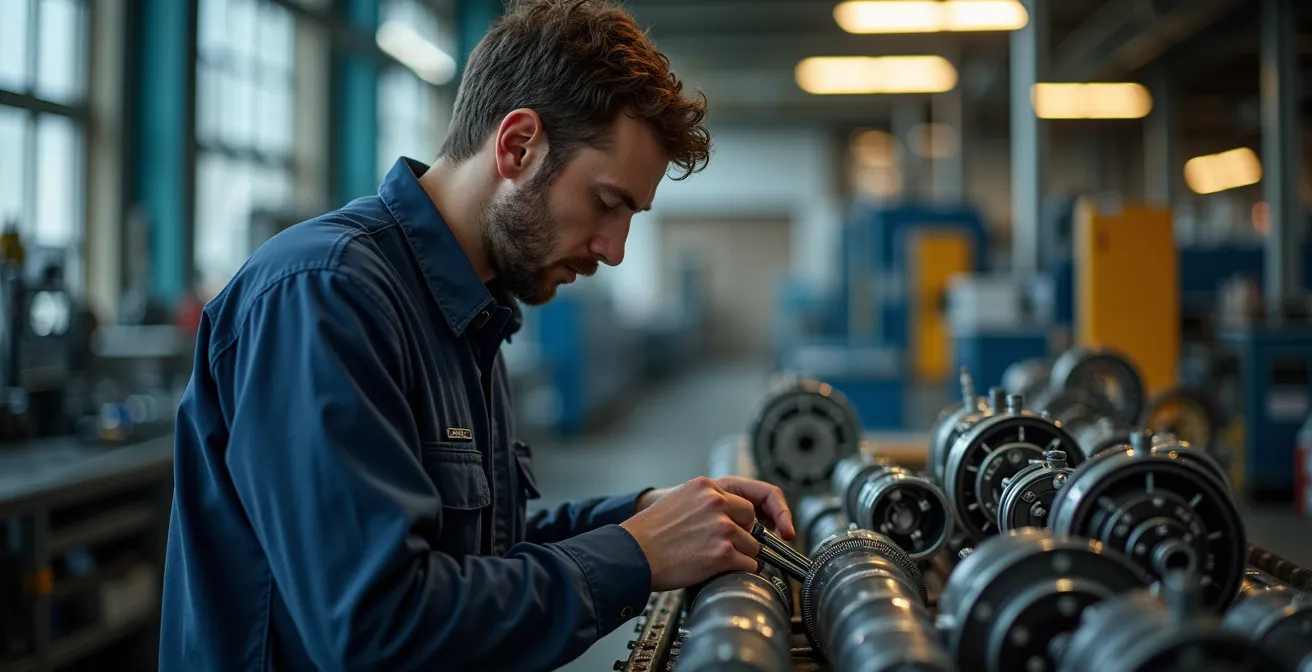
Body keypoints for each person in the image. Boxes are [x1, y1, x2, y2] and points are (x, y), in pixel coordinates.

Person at [158, 1, 796, 670]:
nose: (614, 249)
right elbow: (378, 630)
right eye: (607, 204)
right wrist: (637, 555)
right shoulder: (325, 295)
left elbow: (473, 558)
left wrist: (644, 516)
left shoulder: (466, 313)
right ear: (517, 146)